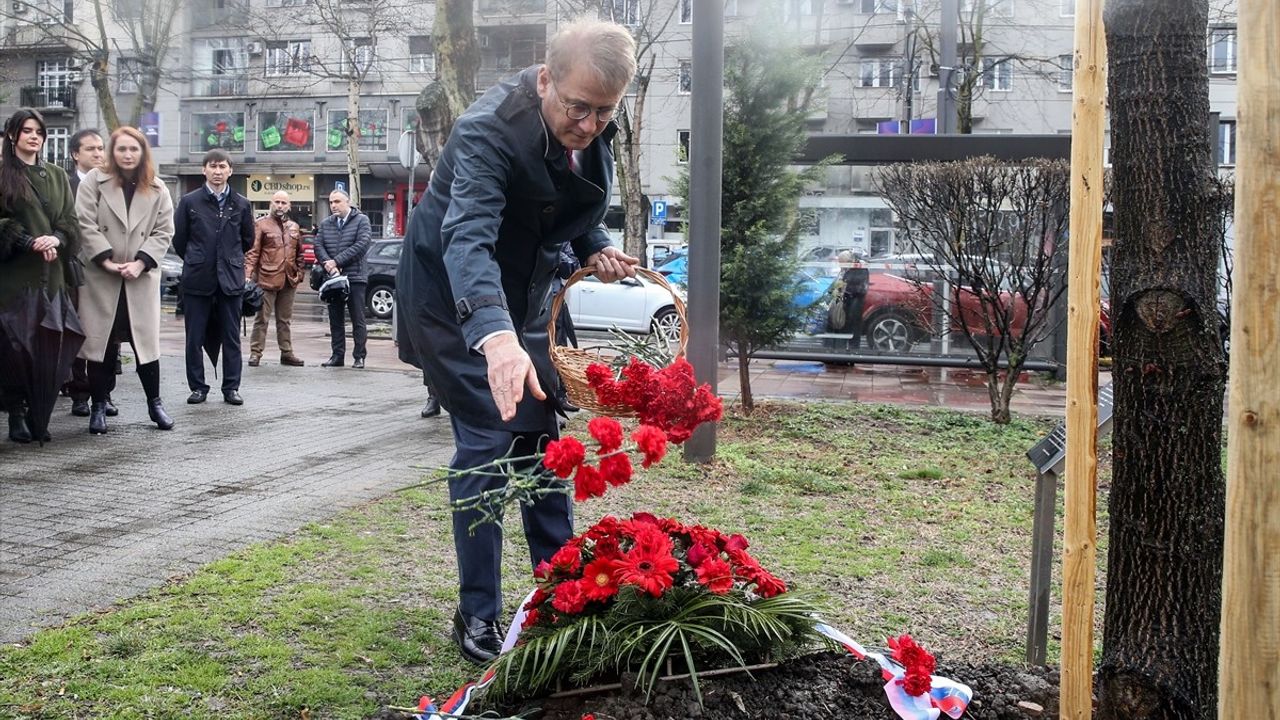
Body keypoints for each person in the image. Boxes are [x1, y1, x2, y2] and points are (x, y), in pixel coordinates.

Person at [396, 18, 639, 665]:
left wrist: (597, 246)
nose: (588, 124)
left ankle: (560, 592)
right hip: (455, 301)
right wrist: (495, 338)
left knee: (543, 443)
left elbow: (562, 207)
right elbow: (467, 236)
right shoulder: (486, 130)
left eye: (603, 112)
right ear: (544, 80)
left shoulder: (592, 128)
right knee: (487, 442)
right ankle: (476, 613)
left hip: (522, 294)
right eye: (577, 107)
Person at [74, 126, 176, 433]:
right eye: (121, 149)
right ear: (111, 152)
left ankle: (155, 404)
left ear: (143, 152)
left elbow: (164, 231)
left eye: (134, 149)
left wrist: (141, 262)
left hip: (139, 278)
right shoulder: (94, 181)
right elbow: (84, 222)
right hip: (102, 275)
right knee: (101, 344)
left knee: (146, 346)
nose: (128, 154)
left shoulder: (158, 188)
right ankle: (98, 406)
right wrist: (104, 258)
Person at [0, 108, 79, 443]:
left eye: (39, 132)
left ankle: (39, 411)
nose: (34, 136)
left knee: (50, 347)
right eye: (27, 130)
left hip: (53, 277)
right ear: (13, 135)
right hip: (16, 277)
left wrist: (57, 239)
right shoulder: (2, 173)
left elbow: (71, 223)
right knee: (14, 349)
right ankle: (16, 413)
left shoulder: (58, 175)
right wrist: (27, 240)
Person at [173, 149, 253, 406]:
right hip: (198, 278)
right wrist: (198, 258)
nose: (217, 171)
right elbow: (180, 239)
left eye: (222, 166)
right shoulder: (189, 202)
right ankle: (198, 387)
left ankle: (231, 387)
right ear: (203, 170)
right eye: (213, 166)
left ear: (231, 170)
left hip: (230, 279)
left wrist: (229, 260)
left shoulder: (241, 203)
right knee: (194, 338)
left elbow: (247, 239)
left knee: (231, 336)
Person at [64, 128, 121, 419]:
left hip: (106, 271)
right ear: (76, 154)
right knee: (78, 333)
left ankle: (105, 392)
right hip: (75, 271)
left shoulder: (113, 185)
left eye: (101, 148)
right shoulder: (66, 184)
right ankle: (79, 392)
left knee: (109, 335)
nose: (99, 154)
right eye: (91, 149)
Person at [245, 190, 305, 367]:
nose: (280, 206)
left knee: (285, 320)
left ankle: (286, 353)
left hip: (289, 280)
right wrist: (247, 276)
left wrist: (299, 273)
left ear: (289, 205)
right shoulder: (261, 225)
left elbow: (299, 253)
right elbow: (252, 253)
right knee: (261, 319)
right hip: (266, 278)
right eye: (277, 202)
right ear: (271, 203)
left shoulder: (294, 226)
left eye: (283, 203)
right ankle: (255, 353)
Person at [314, 189, 371, 369]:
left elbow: (362, 245)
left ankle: (359, 357)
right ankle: (337, 356)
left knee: (357, 319)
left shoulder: (362, 220)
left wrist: (337, 261)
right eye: (331, 202)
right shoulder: (326, 223)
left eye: (337, 201)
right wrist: (329, 265)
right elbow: (318, 245)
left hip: (355, 276)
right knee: (335, 319)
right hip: (333, 278)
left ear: (348, 202)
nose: (333, 206)